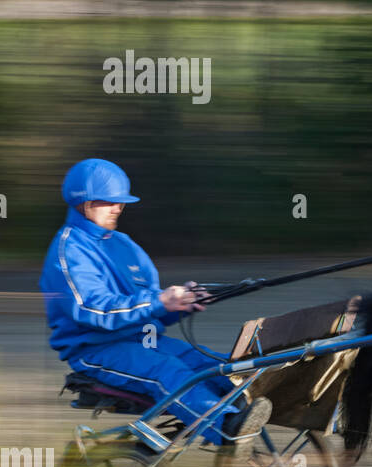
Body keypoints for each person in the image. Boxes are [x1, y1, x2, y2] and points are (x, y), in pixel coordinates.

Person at [40, 158, 269, 449]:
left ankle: (259, 412)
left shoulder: (124, 245)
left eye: (121, 202)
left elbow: (149, 309)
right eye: (109, 201)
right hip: (96, 349)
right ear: (84, 203)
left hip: (145, 340)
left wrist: (181, 304)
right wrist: (160, 300)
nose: (118, 208)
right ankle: (226, 427)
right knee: (167, 372)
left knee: (218, 366)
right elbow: (94, 309)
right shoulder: (68, 249)